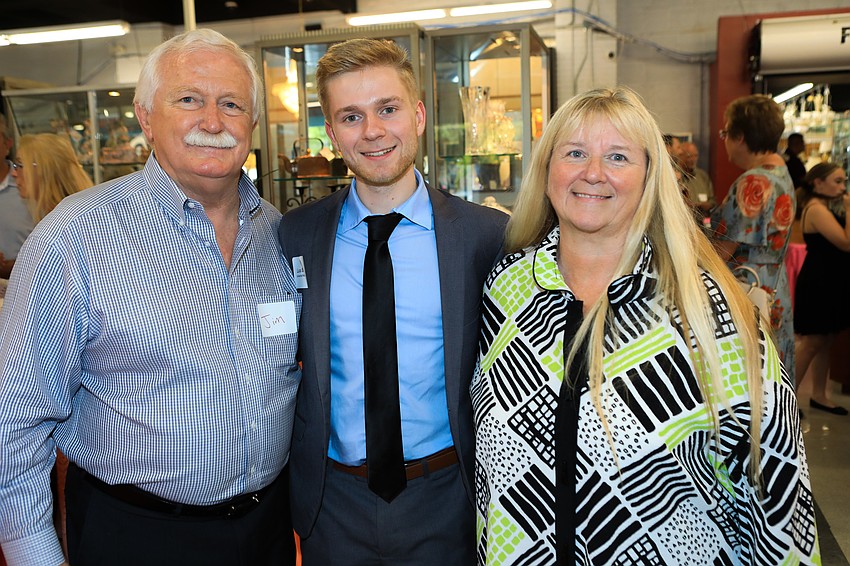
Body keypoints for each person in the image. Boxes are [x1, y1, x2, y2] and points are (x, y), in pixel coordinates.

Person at [472, 87, 818, 564]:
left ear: (650, 177)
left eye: (617, 156)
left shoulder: (709, 313)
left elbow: (777, 498)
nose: (592, 173)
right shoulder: (506, 287)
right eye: (574, 152)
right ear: (547, 169)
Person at [0, 28, 300, 566]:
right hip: (136, 535)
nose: (212, 122)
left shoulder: (278, 234)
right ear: (144, 116)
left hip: (269, 531)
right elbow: (16, 421)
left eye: (231, 104)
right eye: (189, 99)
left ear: (252, 124)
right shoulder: (75, 237)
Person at [278, 38, 508, 564]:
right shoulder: (296, 235)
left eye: (388, 109)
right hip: (332, 504)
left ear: (419, 115)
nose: (373, 131)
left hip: (449, 496)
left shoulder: (485, 236)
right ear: (332, 133)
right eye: (351, 117)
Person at [11, 132, 94, 556]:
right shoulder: (62, 229)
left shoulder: (74, 225)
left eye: (21, 165)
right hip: (120, 514)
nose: (14, 175)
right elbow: (19, 413)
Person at [711, 94, 796, 372]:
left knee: (749, 370)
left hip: (747, 287)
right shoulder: (780, 172)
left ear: (740, 137)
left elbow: (722, 251)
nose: (724, 141)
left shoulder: (753, 182)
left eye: (725, 132)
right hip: (774, 285)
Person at [794, 162, 850, 415]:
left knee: (825, 340)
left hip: (830, 281)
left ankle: (819, 394)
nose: (842, 187)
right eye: (837, 181)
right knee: (812, 341)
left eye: (843, 181)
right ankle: (786, 395)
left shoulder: (823, 206)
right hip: (819, 282)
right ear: (818, 183)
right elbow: (846, 242)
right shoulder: (816, 209)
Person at [13, 133, 93, 221]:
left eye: (20, 165)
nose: (14, 173)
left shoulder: (64, 219)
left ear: (44, 170)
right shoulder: (70, 212)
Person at [0, 113, 35, 279]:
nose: (17, 172)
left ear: (7, 144)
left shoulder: (29, 188)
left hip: (25, 289)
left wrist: (12, 266)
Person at [681, 141, 715, 213]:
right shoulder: (677, 178)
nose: (693, 160)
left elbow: (712, 201)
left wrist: (706, 205)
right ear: (681, 156)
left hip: (703, 221)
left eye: (695, 155)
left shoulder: (703, 176)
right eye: (689, 156)